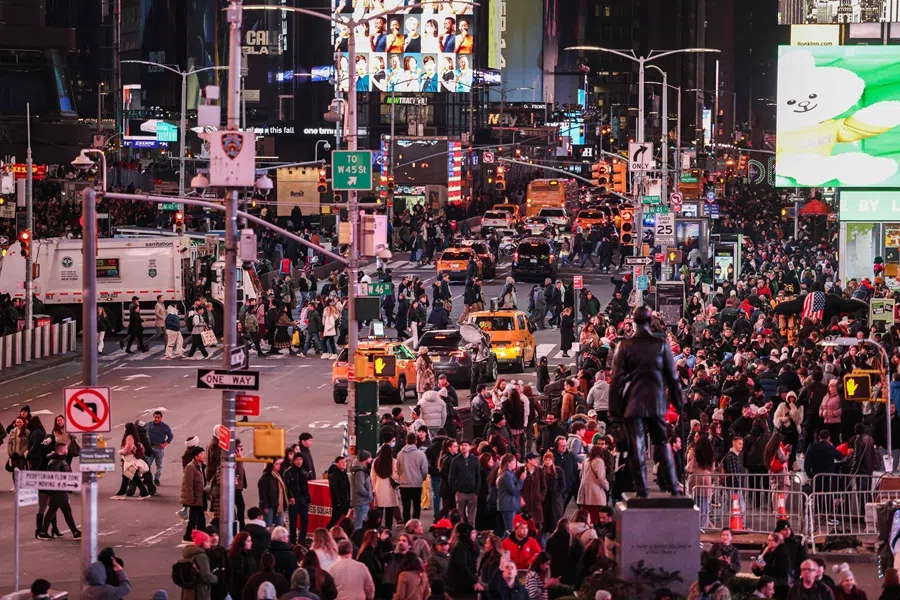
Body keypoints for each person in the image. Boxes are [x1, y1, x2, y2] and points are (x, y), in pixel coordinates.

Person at [609, 305, 683, 497]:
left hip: (633, 401)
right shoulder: (661, 345)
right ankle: (674, 487)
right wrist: (680, 404)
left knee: (637, 446)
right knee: (662, 442)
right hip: (656, 400)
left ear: (633, 322)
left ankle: (641, 490)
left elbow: (616, 381)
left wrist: (614, 410)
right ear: (651, 322)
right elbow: (673, 377)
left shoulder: (624, 346)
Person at [37, 443, 81, 539]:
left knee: (52, 511)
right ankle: (75, 532)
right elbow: (55, 478)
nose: (67, 450)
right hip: (59, 491)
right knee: (67, 511)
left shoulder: (59, 460)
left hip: (59, 491)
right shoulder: (56, 462)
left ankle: (43, 532)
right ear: (61, 450)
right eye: (66, 448)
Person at [397, 432, 429, 522]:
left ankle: (407, 524)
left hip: (404, 484)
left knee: (406, 506)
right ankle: (415, 524)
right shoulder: (421, 454)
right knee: (416, 505)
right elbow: (424, 470)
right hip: (416, 484)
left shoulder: (400, 454)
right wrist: (421, 478)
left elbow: (398, 469)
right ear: (416, 441)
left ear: (406, 441)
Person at [751, 533, 792, 599]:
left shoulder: (783, 554)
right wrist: (755, 568)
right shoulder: (767, 552)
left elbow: (780, 571)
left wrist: (763, 567)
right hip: (769, 586)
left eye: (770, 540)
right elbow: (762, 572)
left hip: (779, 587)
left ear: (777, 542)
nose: (767, 542)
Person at [448, 439, 479, 524]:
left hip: (472, 492)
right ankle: (459, 533)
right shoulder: (455, 460)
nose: (464, 447)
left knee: (472, 517)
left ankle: (471, 533)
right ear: (460, 447)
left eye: (466, 445)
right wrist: (455, 490)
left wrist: (476, 490)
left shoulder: (475, 460)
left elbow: (478, 475)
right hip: (460, 492)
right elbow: (451, 477)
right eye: (462, 445)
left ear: (469, 447)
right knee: (460, 516)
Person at [577, 445, 609, 525]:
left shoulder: (586, 460)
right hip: (595, 493)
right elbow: (601, 478)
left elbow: (580, 475)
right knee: (595, 517)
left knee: (586, 517)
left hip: (584, 492)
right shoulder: (599, 461)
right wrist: (607, 486)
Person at [284, 453, 312, 545]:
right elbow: (286, 486)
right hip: (294, 500)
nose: (299, 461)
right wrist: (290, 496)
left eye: (301, 459)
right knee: (293, 520)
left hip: (303, 499)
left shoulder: (304, 472)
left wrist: (308, 499)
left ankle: (302, 539)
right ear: (294, 460)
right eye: (297, 459)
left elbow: (306, 487)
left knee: (305, 520)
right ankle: (292, 540)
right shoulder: (288, 472)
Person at [545, 518, 583, 586]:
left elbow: (547, 556)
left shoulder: (551, 540)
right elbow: (580, 556)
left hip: (555, 572)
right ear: (569, 527)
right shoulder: (574, 540)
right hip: (570, 573)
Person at [372, 443, 400, 529]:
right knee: (389, 514)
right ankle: (388, 530)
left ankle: (378, 529)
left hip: (378, 489)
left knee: (379, 513)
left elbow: (373, 477)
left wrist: (373, 489)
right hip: (390, 490)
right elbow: (396, 476)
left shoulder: (376, 461)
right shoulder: (394, 462)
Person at [496, 453, 525, 534]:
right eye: (514, 461)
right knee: (510, 530)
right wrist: (521, 480)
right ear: (508, 463)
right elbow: (513, 491)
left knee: (507, 530)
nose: (515, 463)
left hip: (510, 505)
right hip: (508, 506)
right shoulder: (506, 475)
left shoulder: (510, 473)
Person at [258, 458, 289, 527]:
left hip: (278, 505)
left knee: (279, 524)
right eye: (276, 464)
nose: (279, 466)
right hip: (269, 506)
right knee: (267, 524)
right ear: (271, 465)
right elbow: (262, 493)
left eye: (279, 464)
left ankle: (277, 537)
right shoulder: (265, 477)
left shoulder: (278, 475)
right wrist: (265, 506)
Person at [146, 410, 173, 486]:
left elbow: (170, 436)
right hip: (150, 448)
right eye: (155, 417)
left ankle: (156, 479)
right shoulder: (148, 425)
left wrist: (165, 444)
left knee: (159, 465)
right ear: (153, 417)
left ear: (161, 418)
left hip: (159, 449)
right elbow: (143, 434)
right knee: (147, 465)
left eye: (158, 417)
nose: (157, 419)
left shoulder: (165, 426)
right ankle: (147, 479)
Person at [228, 532, 257, 600]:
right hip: (240, 590)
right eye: (248, 541)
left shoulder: (249, 555)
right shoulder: (237, 557)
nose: (251, 543)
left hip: (249, 588)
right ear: (242, 542)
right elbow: (238, 574)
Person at [350, 450, 374, 529]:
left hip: (362, 502)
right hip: (361, 502)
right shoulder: (360, 471)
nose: (371, 459)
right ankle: (357, 540)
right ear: (365, 459)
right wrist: (368, 494)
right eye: (370, 458)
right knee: (359, 525)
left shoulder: (361, 469)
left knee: (360, 524)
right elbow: (359, 487)